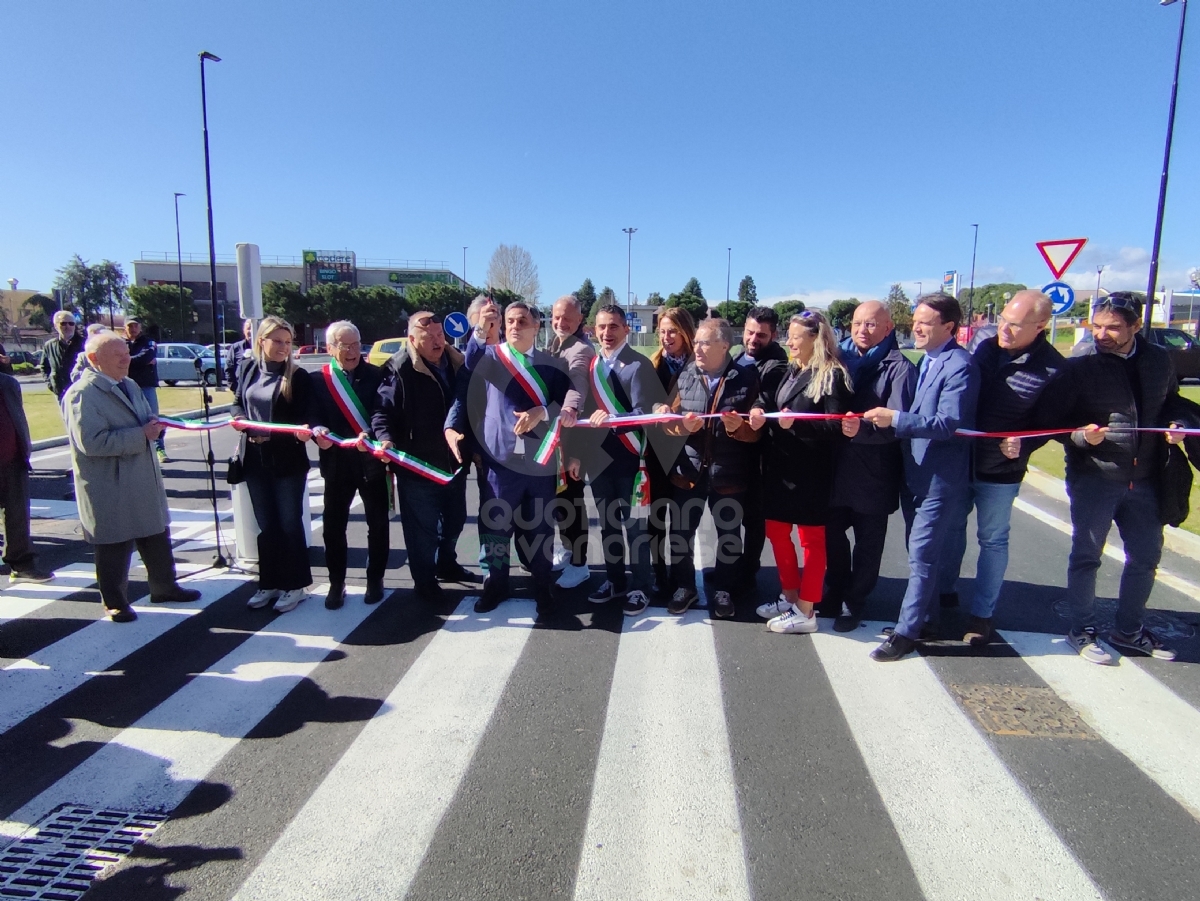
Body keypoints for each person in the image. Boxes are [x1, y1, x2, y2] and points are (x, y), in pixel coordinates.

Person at [1037, 292, 1197, 664]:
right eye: (1097, 326)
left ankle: (1129, 631)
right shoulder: (1079, 364)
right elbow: (1052, 420)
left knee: (1144, 556)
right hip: (1095, 476)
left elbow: (1172, 402)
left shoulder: (1159, 360)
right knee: (1087, 556)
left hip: (1147, 477)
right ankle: (1082, 630)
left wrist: (1181, 425)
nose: (1102, 334)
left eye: (1113, 328)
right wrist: (1079, 436)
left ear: (1137, 327)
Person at [937, 290, 1063, 646]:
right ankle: (944, 595)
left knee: (993, 539)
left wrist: (1025, 442)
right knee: (950, 529)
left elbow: (1048, 425)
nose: (1004, 330)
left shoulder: (1053, 368)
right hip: (961, 458)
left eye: (1015, 325)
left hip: (1001, 469)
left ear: (1040, 327)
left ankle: (982, 615)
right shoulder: (982, 343)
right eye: (1004, 320)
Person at [862, 294, 979, 662]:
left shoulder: (960, 366)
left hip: (940, 479)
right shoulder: (927, 361)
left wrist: (895, 419)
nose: (916, 327)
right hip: (916, 474)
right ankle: (926, 618)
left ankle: (906, 631)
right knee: (918, 551)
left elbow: (947, 423)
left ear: (949, 327)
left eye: (926, 322)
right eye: (915, 319)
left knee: (923, 556)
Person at [62, 331, 200, 621]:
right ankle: (115, 601)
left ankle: (164, 587)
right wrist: (142, 434)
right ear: (93, 359)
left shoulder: (130, 384)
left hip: (141, 476)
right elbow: (93, 443)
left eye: (126, 352)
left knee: (156, 533)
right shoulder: (81, 394)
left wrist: (154, 423)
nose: (126, 359)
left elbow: (144, 417)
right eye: (117, 354)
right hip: (109, 482)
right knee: (113, 543)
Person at [445, 301, 571, 617]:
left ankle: (543, 586)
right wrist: (481, 329)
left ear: (536, 326)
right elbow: (469, 359)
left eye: (522, 321)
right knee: (495, 528)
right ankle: (495, 586)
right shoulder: (489, 357)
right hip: (499, 462)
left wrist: (543, 411)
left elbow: (565, 404)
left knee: (541, 528)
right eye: (510, 320)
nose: (515, 326)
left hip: (539, 461)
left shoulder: (550, 364)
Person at [748, 311, 851, 634]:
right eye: (788, 336)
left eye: (795, 337)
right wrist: (760, 409)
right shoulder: (793, 368)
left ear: (814, 339)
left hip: (812, 469)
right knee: (776, 532)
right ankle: (790, 596)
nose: (788, 342)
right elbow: (773, 399)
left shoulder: (832, 374)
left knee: (811, 540)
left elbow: (837, 428)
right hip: (781, 466)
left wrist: (800, 425)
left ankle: (807, 609)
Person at [820, 301, 917, 632]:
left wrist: (862, 430)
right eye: (858, 323)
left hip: (875, 469)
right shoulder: (837, 359)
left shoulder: (899, 367)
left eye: (871, 325)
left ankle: (855, 600)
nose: (862, 330)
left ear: (888, 328)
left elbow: (898, 421)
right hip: (835, 466)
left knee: (868, 542)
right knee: (831, 534)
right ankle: (834, 589)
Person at [658, 318, 761, 618]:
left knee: (728, 536)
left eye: (705, 342)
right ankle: (685, 586)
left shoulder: (746, 377)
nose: (698, 348)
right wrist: (677, 424)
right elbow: (666, 419)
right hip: (688, 472)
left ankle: (725, 591)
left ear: (725, 345)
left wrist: (738, 428)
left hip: (729, 474)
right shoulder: (686, 373)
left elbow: (756, 433)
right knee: (680, 534)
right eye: (698, 342)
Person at [373, 311, 469, 603]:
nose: (438, 342)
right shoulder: (398, 368)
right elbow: (381, 411)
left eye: (441, 335)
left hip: (454, 461)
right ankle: (424, 581)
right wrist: (385, 439)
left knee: (456, 520)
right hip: (418, 464)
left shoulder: (458, 363)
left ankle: (447, 563)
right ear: (413, 339)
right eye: (430, 338)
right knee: (422, 530)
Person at [571, 304, 659, 615]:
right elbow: (584, 416)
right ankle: (614, 580)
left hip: (630, 461)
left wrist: (612, 417)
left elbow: (643, 414)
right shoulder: (592, 366)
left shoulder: (638, 365)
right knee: (608, 527)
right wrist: (579, 456)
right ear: (594, 330)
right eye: (601, 327)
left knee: (635, 529)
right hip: (598, 462)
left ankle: (641, 586)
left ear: (626, 330)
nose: (606, 333)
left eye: (613, 327)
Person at [230, 316, 315, 613]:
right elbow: (238, 400)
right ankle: (270, 582)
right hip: (253, 457)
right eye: (277, 341)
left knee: (289, 524)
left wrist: (302, 431)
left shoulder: (298, 376)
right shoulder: (247, 367)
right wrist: (238, 417)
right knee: (265, 525)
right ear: (261, 341)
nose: (283, 347)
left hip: (287, 459)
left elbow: (305, 416)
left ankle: (295, 586)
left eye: (287, 342)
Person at [310, 320, 389, 609]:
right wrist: (317, 431)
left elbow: (382, 411)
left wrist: (371, 437)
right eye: (346, 346)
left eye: (357, 344)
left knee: (378, 524)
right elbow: (312, 414)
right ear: (331, 348)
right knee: (333, 527)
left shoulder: (376, 375)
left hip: (370, 461)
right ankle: (336, 583)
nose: (354, 351)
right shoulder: (318, 380)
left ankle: (375, 579)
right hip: (336, 463)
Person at [733, 306, 790, 585]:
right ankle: (731, 566)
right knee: (732, 512)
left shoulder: (778, 363)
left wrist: (756, 408)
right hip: (733, 449)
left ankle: (748, 571)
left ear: (774, 335)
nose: (754, 339)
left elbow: (766, 398)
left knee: (753, 517)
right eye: (750, 332)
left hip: (760, 452)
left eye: (762, 335)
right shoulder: (737, 356)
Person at [645, 306, 695, 597]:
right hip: (657, 455)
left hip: (689, 454)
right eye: (662, 331)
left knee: (681, 523)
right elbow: (643, 402)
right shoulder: (652, 365)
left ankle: (682, 577)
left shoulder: (697, 364)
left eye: (672, 331)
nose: (666, 337)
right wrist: (655, 408)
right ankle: (657, 570)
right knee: (654, 520)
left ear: (686, 332)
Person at [545, 295, 594, 590]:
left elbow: (577, 385)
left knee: (572, 502)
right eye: (556, 317)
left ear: (579, 321)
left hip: (575, 441)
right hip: (557, 439)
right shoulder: (555, 345)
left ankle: (580, 563)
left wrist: (569, 409)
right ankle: (567, 551)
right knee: (561, 503)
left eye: (567, 318)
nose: (561, 323)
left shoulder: (580, 350)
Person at [0, 372, 53, 582]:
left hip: (12, 458)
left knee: (17, 515)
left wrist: (24, 449)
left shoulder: (8, 383)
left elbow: (18, 418)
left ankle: (22, 564)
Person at [125, 320, 166, 462]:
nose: (133, 328)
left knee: (152, 417)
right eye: (130, 326)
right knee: (130, 419)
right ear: (125, 328)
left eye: (136, 325)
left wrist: (127, 361)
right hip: (127, 386)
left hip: (146, 386)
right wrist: (135, 361)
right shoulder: (122, 343)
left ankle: (159, 449)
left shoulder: (148, 342)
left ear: (141, 327)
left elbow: (146, 357)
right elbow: (119, 360)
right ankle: (137, 450)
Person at [41, 311, 84, 401]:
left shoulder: (85, 344)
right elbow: (44, 367)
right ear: (56, 326)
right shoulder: (49, 345)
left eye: (71, 323)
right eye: (63, 323)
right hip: (61, 393)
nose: (67, 326)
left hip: (81, 391)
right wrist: (51, 384)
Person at [224, 319, 254, 393]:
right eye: (248, 328)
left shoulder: (265, 347)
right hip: (241, 391)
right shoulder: (235, 348)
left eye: (253, 328)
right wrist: (234, 388)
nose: (251, 331)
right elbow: (229, 369)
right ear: (244, 330)